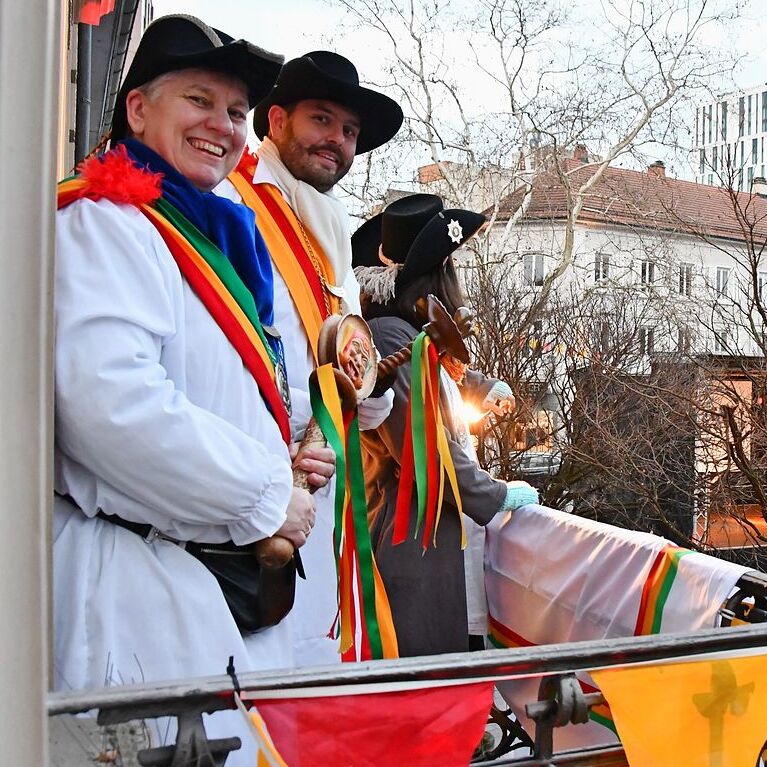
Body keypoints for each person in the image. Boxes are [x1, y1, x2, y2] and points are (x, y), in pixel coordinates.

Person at [53, 12, 326, 731]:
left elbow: (225, 388)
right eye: (199, 101)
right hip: (142, 591)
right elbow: (110, 406)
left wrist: (292, 449)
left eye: (236, 110)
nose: (224, 124)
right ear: (138, 109)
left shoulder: (205, 230)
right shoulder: (105, 222)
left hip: (213, 589)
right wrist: (270, 490)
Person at [217, 51, 403, 664]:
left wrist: (370, 393)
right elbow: (230, 351)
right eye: (322, 121)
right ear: (275, 119)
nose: (338, 142)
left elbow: (344, 359)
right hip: (255, 482)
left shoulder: (329, 221)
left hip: (322, 481)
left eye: (349, 132)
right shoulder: (234, 200)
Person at [351, 193, 535, 656]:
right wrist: (493, 494)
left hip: (430, 538)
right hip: (412, 541)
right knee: (423, 678)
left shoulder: (405, 334)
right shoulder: (391, 335)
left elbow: (436, 377)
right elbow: (422, 444)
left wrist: (481, 387)